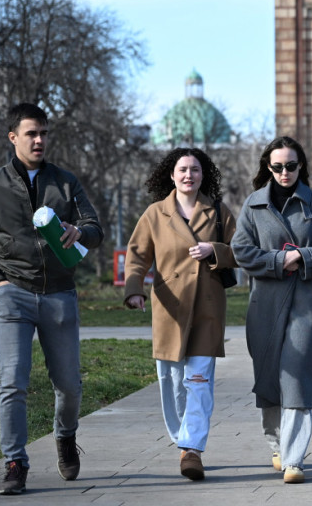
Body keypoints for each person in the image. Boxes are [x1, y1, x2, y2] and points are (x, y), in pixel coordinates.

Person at [0, 103, 104, 496]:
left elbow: (95, 228)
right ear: (13, 137)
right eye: (31, 133)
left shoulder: (65, 181)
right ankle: (14, 464)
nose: (39, 140)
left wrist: (81, 231)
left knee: (70, 386)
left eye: (43, 133)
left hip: (59, 293)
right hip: (13, 295)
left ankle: (65, 435)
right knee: (13, 383)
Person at [231, 136, 312, 485]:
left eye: (291, 166)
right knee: (268, 379)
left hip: (306, 301)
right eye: (278, 166)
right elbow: (242, 252)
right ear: (268, 167)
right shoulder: (253, 206)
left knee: (297, 377)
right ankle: (278, 446)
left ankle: (294, 459)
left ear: (301, 167)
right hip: (264, 303)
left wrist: (306, 257)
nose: (285, 172)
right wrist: (283, 260)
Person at [123, 147, 237, 481]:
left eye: (196, 170)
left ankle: (192, 449)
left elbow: (242, 250)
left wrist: (214, 250)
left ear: (205, 175)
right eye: (183, 169)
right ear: (171, 175)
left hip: (207, 308)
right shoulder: (155, 214)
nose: (189, 175)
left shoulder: (218, 211)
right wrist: (133, 289)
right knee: (171, 382)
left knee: (199, 382)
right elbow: (137, 255)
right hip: (169, 310)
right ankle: (182, 440)